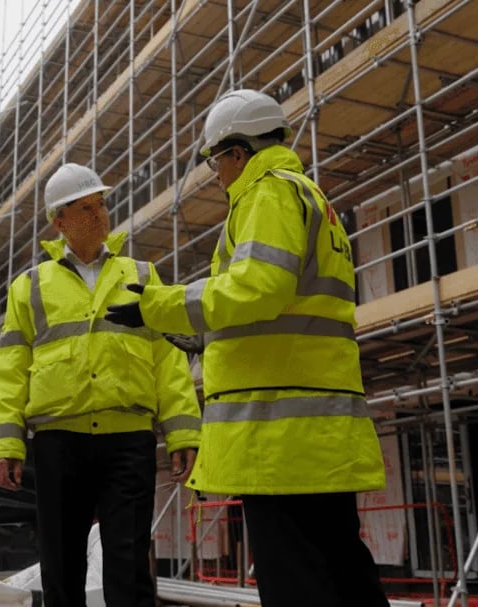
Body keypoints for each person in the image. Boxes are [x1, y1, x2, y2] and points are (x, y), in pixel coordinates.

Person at [105, 89, 390, 607]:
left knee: (296, 581)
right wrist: (202, 334)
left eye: (216, 160)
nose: (216, 174)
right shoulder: (312, 199)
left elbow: (260, 287)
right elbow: (286, 308)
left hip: (277, 434)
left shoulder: (267, 193)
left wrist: (158, 306)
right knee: (344, 572)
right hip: (318, 430)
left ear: (238, 152)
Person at [0, 162, 201, 607]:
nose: (99, 215)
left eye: (101, 205)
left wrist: (182, 431)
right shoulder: (30, 286)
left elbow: (167, 359)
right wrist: (5, 443)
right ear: (58, 221)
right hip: (58, 440)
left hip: (128, 439)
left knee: (128, 560)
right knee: (61, 563)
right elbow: (9, 365)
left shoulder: (141, 275)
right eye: (85, 208)